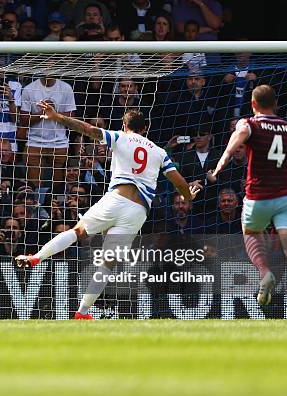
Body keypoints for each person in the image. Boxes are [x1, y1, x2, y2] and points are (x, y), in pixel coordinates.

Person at [15, 105, 200, 319]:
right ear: (145, 129)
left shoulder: (119, 136)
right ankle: (82, 312)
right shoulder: (159, 152)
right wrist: (188, 196)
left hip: (116, 198)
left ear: (125, 125)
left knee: (78, 232)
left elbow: (87, 129)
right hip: (138, 211)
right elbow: (178, 181)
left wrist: (57, 117)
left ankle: (37, 257)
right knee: (108, 262)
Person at [212, 84, 287, 321]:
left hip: (258, 197)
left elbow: (238, 139)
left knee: (252, 232)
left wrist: (222, 162)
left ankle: (264, 272)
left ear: (253, 104)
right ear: (275, 104)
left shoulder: (249, 123)